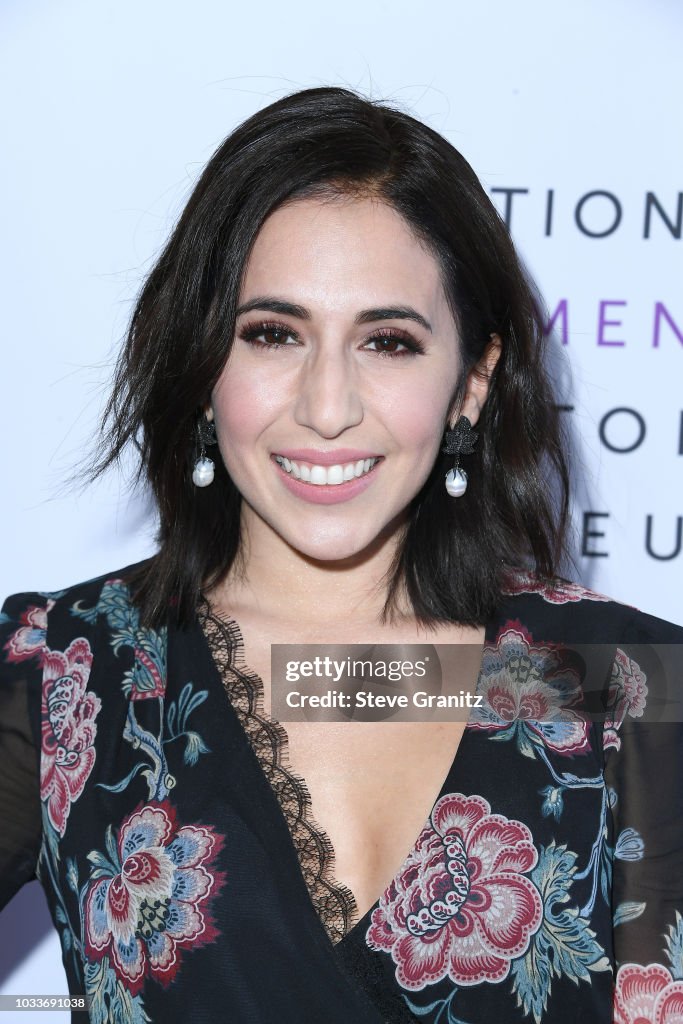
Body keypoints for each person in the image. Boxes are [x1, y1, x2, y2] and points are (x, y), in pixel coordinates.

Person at [1, 85, 682, 1024]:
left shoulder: (634, 683)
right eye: (273, 334)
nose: (327, 407)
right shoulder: (67, 669)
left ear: (471, 386)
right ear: (204, 366)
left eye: (388, 342)